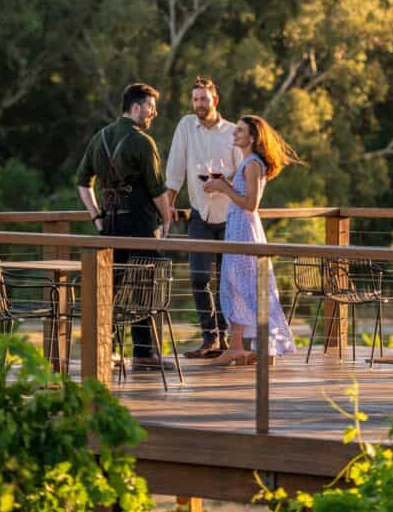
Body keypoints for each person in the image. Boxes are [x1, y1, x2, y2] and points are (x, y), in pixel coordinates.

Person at [76, 82, 173, 371]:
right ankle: (143, 353)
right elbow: (157, 190)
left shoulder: (100, 137)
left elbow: (82, 182)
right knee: (147, 287)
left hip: (110, 223)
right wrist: (167, 219)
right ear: (136, 107)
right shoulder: (143, 142)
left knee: (109, 289)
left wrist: (96, 216)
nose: (153, 115)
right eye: (150, 109)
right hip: (141, 223)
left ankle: (105, 352)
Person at [203, 115, 300, 366]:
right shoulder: (248, 162)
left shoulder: (253, 164)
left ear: (253, 137)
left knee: (249, 287)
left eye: (240, 131)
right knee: (235, 286)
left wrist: (224, 189)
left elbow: (251, 204)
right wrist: (224, 184)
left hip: (244, 230)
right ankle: (239, 347)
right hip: (237, 228)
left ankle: (262, 349)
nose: (234, 134)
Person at [165, 76, 242, 358]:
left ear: (215, 101)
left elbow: (242, 173)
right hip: (199, 214)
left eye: (204, 99)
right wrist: (168, 209)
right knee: (198, 277)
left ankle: (226, 341)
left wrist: (222, 182)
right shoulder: (186, 126)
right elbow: (175, 170)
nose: (199, 104)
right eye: (195, 99)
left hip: (230, 216)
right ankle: (210, 338)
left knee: (227, 281)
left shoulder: (233, 132)